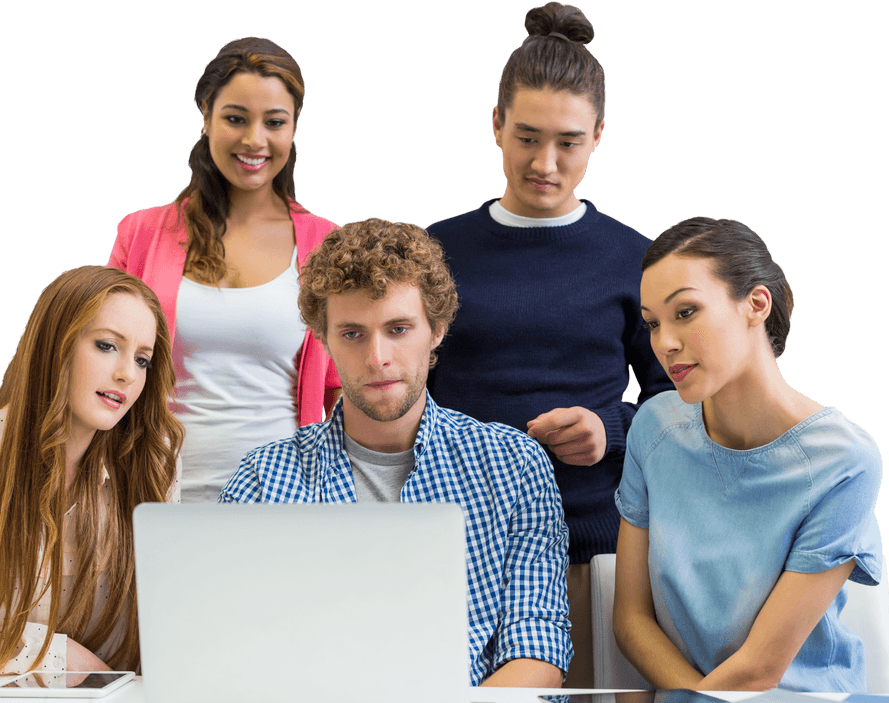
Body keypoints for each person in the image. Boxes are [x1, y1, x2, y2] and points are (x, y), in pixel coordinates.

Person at [424, 1, 672, 685]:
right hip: (448, 544)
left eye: (568, 141)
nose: (545, 162)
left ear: (598, 135)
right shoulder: (432, 251)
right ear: (495, 124)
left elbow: (681, 399)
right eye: (527, 136)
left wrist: (608, 425)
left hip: (592, 551)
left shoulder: (637, 258)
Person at [219, 218, 573, 687]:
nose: (377, 358)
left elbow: (538, 644)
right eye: (352, 334)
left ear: (437, 330)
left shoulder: (513, 465)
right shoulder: (263, 479)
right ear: (322, 340)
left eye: (399, 329)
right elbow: (234, 645)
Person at [614, 217, 884, 692]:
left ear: (756, 304)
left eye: (686, 312)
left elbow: (761, 668)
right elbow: (632, 620)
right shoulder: (653, 429)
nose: (664, 343)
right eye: (653, 323)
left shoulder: (844, 460)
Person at [0, 266, 182, 677]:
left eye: (143, 360)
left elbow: (169, 648)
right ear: (55, 344)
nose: (127, 373)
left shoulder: (154, 471)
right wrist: (51, 656)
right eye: (106, 346)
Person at [108, 36, 340, 503]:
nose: (254, 140)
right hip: (151, 495)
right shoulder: (141, 232)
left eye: (274, 122)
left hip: (285, 501)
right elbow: (97, 356)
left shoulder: (327, 244)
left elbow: (341, 389)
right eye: (236, 118)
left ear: (294, 128)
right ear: (205, 117)